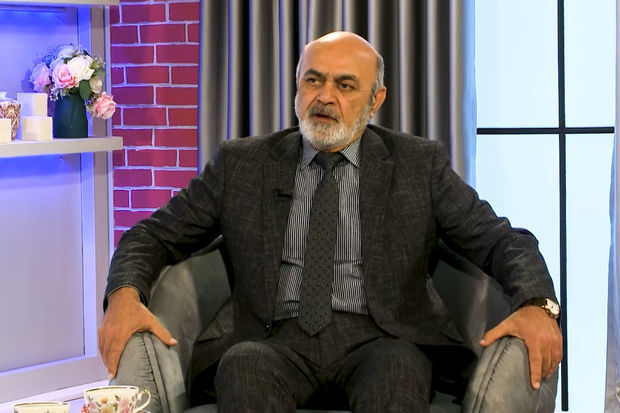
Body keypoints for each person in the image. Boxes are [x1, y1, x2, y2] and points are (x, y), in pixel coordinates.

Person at [98, 31, 562, 412]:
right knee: (243, 366)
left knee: (398, 370)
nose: (324, 97)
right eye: (313, 81)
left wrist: (537, 304)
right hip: (271, 340)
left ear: (375, 100)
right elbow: (152, 234)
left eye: (345, 85)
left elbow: (502, 240)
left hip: (383, 339)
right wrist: (124, 295)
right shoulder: (243, 164)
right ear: (297, 87)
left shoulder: (418, 165)